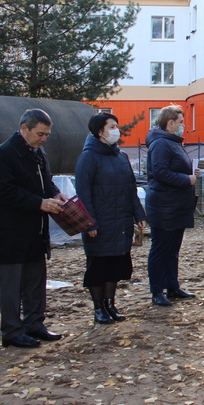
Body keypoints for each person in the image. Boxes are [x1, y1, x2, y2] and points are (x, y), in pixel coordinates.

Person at [0, 109, 67, 348]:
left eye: (47, 135)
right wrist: (40, 203)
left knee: (35, 281)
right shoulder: (3, 154)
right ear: (24, 129)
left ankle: (34, 324)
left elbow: (47, 182)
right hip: (9, 233)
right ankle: (11, 331)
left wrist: (55, 194)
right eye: (40, 133)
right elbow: (3, 193)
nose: (44, 138)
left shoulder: (38, 153)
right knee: (11, 286)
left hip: (35, 231)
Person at [75, 113, 147, 324]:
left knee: (115, 267)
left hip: (121, 222)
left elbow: (130, 189)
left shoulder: (121, 156)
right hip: (100, 223)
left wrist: (139, 214)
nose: (117, 130)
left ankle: (110, 304)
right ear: (100, 131)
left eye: (117, 125)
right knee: (98, 267)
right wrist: (90, 222)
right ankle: (99, 308)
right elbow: (84, 194)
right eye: (113, 126)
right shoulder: (88, 157)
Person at [146, 105, 199, 306]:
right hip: (164, 206)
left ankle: (172, 287)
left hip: (176, 205)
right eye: (180, 122)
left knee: (173, 249)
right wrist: (187, 180)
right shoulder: (161, 144)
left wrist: (192, 174)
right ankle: (157, 291)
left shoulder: (173, 143)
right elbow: (160, 173)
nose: (182, 126)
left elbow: (174, 168)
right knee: (161, 249)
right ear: (169, 123)